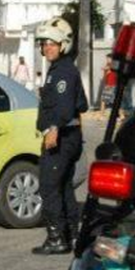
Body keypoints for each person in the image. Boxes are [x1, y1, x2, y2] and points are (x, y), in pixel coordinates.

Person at [32, 17, 88, 255]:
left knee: (49, 186)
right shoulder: (57, 70)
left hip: (62, 137)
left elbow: (64, 107)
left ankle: (56, 237)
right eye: (44, 44)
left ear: (63, 44)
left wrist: (53, 128)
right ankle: (71, 235)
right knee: (63, 187)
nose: (47, 48)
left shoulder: (63, 71)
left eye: (52, 43)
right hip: (68, 136)